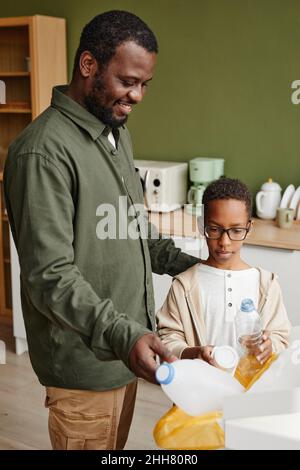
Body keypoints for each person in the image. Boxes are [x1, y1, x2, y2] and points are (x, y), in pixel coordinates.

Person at [3, 11, 199, 450]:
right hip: (85, 366)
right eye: (128, 81)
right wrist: (126, 334)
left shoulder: (114, 132)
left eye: (145, 84)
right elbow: (50, 277)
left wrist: (200, 267)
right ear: (88, 65)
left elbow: (134, 229)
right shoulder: (42, 153)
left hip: (121, 352)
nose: (138, 95)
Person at [157, 177, 291, 367]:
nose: (224, 242)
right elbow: (167, 339)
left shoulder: (267, 284)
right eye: (214, 229)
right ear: (202, 225)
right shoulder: (184, 286)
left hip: (249, 393)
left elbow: (281, 337)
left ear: (249, 228)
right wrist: (194, 353)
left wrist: (271, 346)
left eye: (236, 231)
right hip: (198, 392)